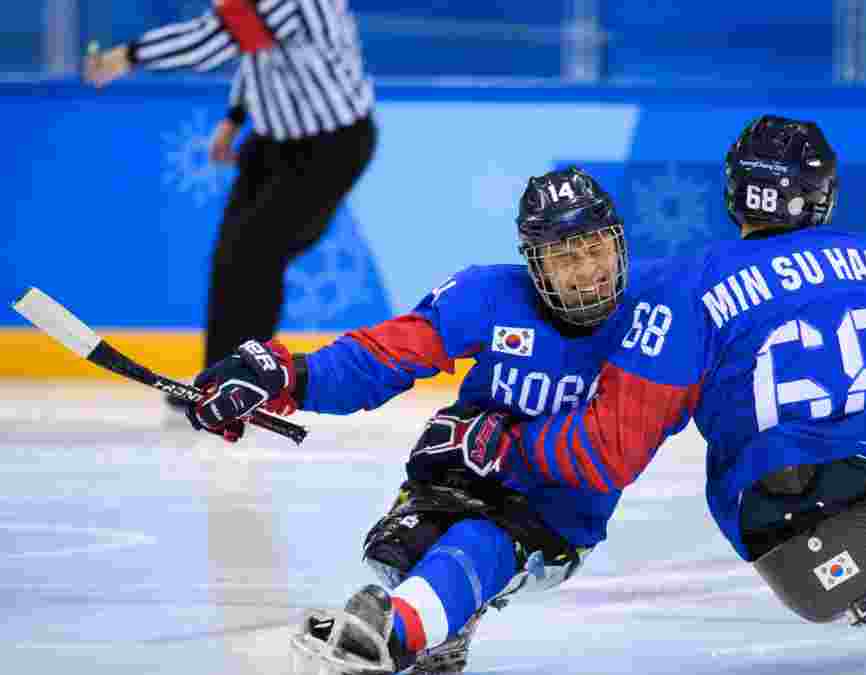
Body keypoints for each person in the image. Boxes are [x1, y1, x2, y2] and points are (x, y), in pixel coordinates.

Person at [464, 116, 866, 673]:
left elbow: (628, 395)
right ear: (818, 193)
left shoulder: (692, 280)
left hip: (764, 506)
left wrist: (521, 432)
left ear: (736, 193)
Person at [181, 167, 667, 674]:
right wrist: (287, 376)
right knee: (395, 550)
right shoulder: (487, 294)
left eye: (595, 247)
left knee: (480, 544)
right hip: (470, 480)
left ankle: (385, 638)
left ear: (619, 243)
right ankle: (442, 632)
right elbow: (386, 356)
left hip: (559, 510)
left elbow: (625, 442)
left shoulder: (658, 318)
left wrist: (509, 447)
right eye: (565, 255)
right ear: (535, 262)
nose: (587, 269)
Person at [83, 0, 378, 411]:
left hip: (331, 145)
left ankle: (253, 380)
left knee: (255, 255)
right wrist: (235, 118)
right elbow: (257, 51)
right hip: (275, 140)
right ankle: (219, 377)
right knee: (233, 258)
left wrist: (127, 56)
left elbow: (209, 41)